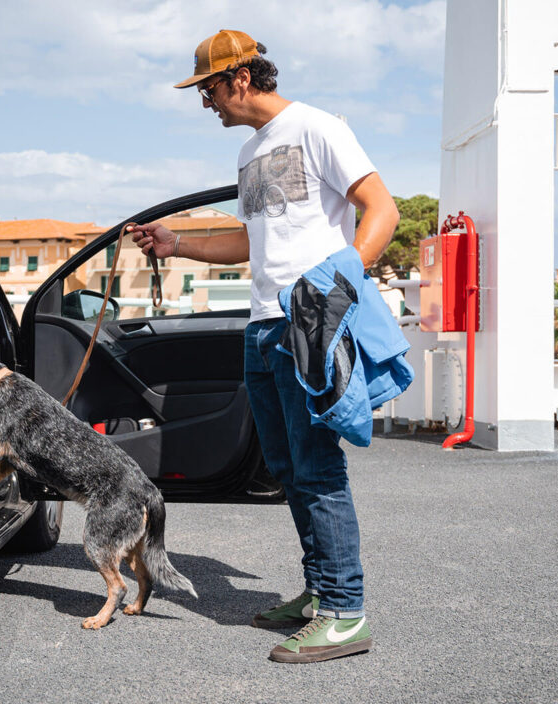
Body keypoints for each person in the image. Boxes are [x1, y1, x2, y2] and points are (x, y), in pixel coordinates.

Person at [130, 29, 399, 664]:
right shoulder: (250, 152)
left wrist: (337, 287)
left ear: (242, 78)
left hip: (309, 323)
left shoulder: (318, 128)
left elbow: (382, 210)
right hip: (263, 327)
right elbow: (253, 242)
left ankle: (345, 612)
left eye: (209, 90)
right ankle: (320, 591)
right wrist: (177, 243)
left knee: (317, 465)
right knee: (285, 467)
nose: (206, 104)